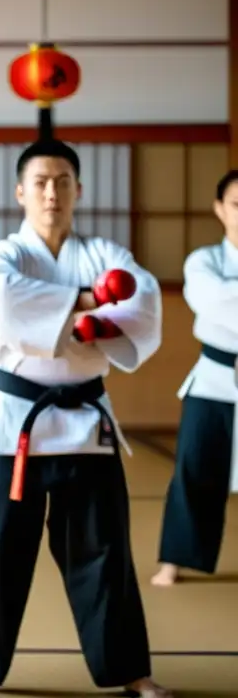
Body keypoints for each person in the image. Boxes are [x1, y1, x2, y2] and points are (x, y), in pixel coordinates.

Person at [0, 137, 172, 698]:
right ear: (20, 192)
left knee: (105, 551)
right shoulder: (0, 256)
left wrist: (91, 319)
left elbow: (144, 301)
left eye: (62, 181)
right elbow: (6, 304)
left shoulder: (106, 251)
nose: (52, 192)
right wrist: (89, 309)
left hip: (86, 420)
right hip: (17, 419)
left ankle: (130, 669)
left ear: (78, 190)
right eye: (40, 181)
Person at [152, 170, 238, 587]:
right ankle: (175, 559)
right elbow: (213, 302)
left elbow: (227, 301)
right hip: (214, 378)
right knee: (195, 467)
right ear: (220, 209)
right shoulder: (203, 261)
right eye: (237, 204)